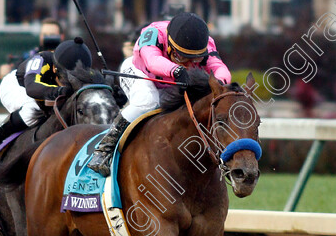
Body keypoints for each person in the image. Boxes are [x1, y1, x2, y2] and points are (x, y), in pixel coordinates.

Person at [87, 12, 231, 176]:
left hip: (170, 83)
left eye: (195, 59)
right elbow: (152, 61)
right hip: (140, 72)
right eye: (182, 56)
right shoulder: (153, 33)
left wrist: (219, 85)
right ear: (169, 43)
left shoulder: (207, 45)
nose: (190, 63)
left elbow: (220, 69)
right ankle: (104, 149)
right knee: (148, 101)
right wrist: (175, 70)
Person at [0, 37, 93, 156]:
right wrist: (61, 91)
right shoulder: (41, 60)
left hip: (43, 94)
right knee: (32, 109)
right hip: (17, 87)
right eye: (64, 78)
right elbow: (32, 88)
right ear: (54, 68)